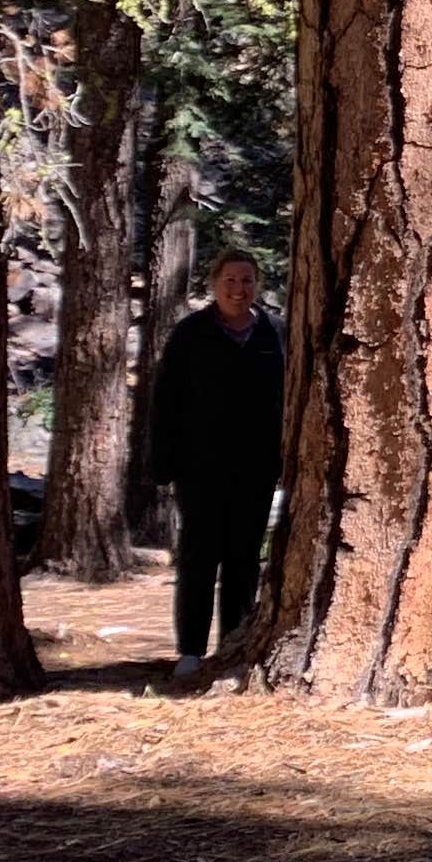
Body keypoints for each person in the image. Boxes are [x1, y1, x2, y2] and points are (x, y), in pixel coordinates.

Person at [151, 247, 285, 682]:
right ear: (214, 284)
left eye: (246, 280)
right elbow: (165, 401)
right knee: (198, 556)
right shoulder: (191, 334)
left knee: (244, 559)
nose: (238, 289)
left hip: (257, 466)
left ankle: (232, 643)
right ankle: (190, 650)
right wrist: (162, 461)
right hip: (199, 466)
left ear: (256, 285)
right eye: (230, 280)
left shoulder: (275, 334)